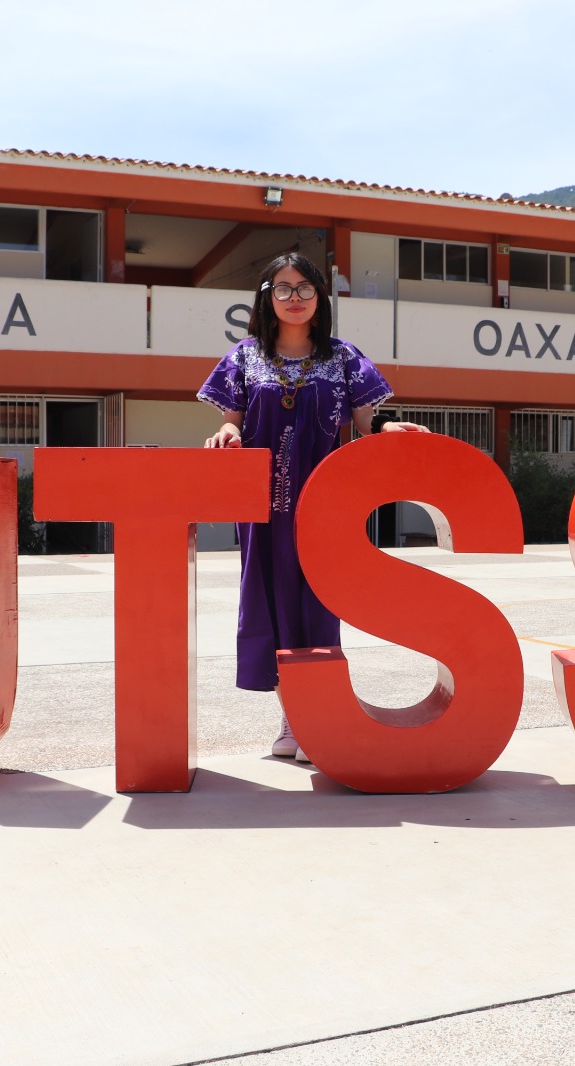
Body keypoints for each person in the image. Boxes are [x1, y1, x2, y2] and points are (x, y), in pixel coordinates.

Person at [198, 252, 429, 763]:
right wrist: (227, 431)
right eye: (282, 288)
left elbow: (367, 422)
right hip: (264, 507)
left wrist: (388, 426)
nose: (294, 297)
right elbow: (234, 418)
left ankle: (318, 714)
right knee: (271, 602)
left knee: (318, 604)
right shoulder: (244, 356)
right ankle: (292, 718)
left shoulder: (343, 357)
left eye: (305, 287)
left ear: (320, 298)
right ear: (266, 298)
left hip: (326, 502)